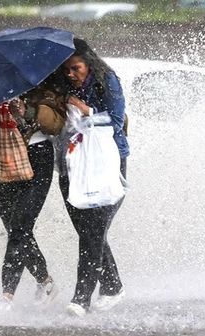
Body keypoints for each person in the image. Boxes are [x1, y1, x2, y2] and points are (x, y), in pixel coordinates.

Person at [55, 38, 129, 317]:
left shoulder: (106, 80)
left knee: (94, 231)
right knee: (87, 231)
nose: (72, 75)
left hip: (106, 163)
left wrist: (87, 112)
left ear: (89, 64)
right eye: (66, 71)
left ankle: (81, 298)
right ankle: (112, 286)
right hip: (71, 164)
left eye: (76, 68)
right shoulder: (61, 90)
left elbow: (117, 119)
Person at [0, 75, 67, 310]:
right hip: (4, 154)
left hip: (38, 158)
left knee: (20, 227)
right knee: (13, 229)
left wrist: (26, 110)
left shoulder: (49, 85)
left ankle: (7, 295)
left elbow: (56, 125)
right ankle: (46, 281)